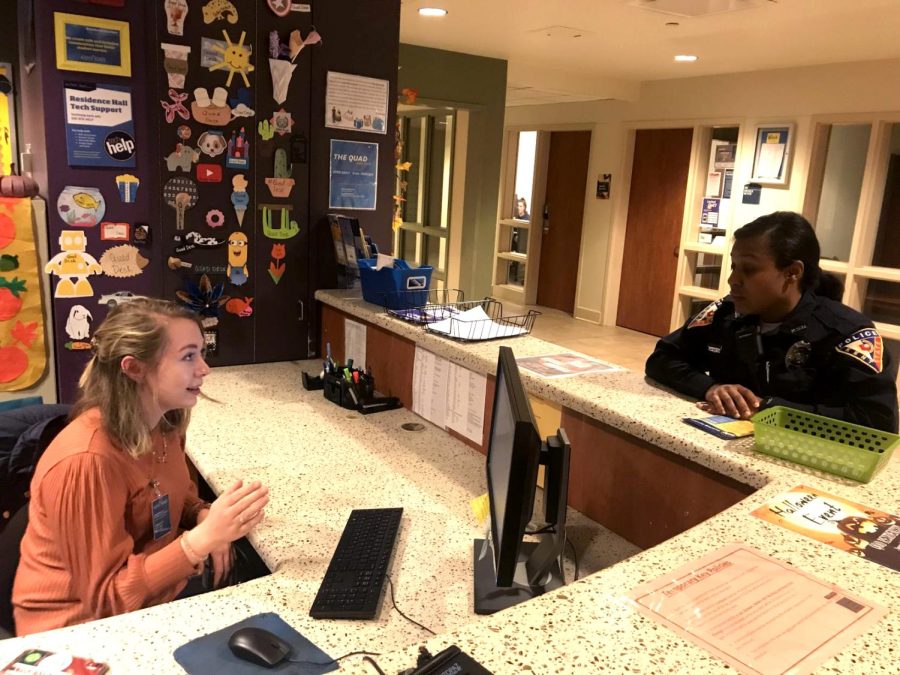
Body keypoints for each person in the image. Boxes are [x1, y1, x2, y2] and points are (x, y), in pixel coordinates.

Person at [13, 298, 269, 635]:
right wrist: (200, 541)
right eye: (188, 356)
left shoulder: (165, 423)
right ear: (134, 368)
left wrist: (204, 516)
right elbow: (104, 602)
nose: (204, 369)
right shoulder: (87, 461)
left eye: (201, 354)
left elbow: (172, 494)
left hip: (154, 597)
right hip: (77, 630)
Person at [645, 211, 898, 432]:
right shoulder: (726, 313)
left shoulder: (846, 333)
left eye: (749, 270)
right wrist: (711, 388)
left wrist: (770, 410)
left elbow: (876, 422)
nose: (733, 280)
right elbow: (662, 359)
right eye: (734, 267)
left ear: (792, 273)